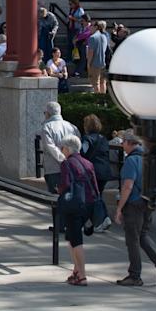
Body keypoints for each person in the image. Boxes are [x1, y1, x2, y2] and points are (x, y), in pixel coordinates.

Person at [115, 131, 156, 287]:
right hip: (149, 202)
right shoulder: (149, 159)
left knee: (132, 239)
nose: (122, 145)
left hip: (133, 204)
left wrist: (119, 208)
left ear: (128, 142)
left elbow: (128, 186)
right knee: (143, 235)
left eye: (123, 142)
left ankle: (135, 275)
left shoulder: (131, 161)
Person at [57, 135, 99, 287]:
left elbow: (65, 184)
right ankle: (76, 270)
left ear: (68, 148)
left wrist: (59, 189)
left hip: (74, 205)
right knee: (72, 237)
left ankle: (82, 275)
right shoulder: (88, 163)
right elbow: (94, 185)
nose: (62, 151)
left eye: (62, 148)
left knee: (75, 241)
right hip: (89, 203)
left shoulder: (67, 164)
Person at [81, 114, 114, 232]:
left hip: (92, 171)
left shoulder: (87, 139)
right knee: (97, 195)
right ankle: (100, 219)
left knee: (93, 196)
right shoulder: (103, 138)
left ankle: (102, 219)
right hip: (104, 171)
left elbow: (83, 153)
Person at [39, 101, 80, 193]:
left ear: (48, 113)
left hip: (53, 168)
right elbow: (77, 145)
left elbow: (50, 147)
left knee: (55, 197)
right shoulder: (71, 126)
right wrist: (70, 160)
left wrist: (63, 160)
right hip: (72, 166)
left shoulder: (47, 127)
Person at [87, 20, 110, 94]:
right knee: (102, 82)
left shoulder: (92, 38)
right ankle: (103, 100)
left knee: (95, 83)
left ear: (96, 27)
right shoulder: (104, 36)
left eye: (91, 26)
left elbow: (91, 52)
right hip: (103, 63)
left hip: (94, 63)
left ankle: (98, 101)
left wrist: (88, 63)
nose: (89, 27)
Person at [66, 0, 87, 69]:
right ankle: (69, 58)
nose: (70, 5)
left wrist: (73, 18)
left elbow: (82, 20)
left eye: (71, 4)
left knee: (75, 44)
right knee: (69, 44)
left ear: (75, 3)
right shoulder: (72, 10)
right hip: (71, 28)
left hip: (77, 29)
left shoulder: (80, 10)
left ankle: (75, 60)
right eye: (69, 4)